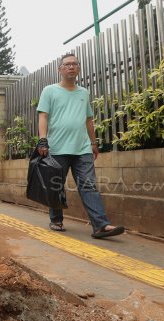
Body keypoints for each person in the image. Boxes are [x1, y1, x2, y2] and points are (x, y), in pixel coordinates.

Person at [36, 53, 124, 239]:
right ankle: (56, 219)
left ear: (79, 69)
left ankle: (101, 225)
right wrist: (43, 140)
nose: (71, 67)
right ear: (60, 69)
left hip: (82, 148)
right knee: (56, 186)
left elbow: (88, 119)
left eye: (74, 64)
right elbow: (43, 116)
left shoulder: (84, 93)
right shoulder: (49, 90)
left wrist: (93, 142)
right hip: (57, 148)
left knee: (88, 186)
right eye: (67, 64)